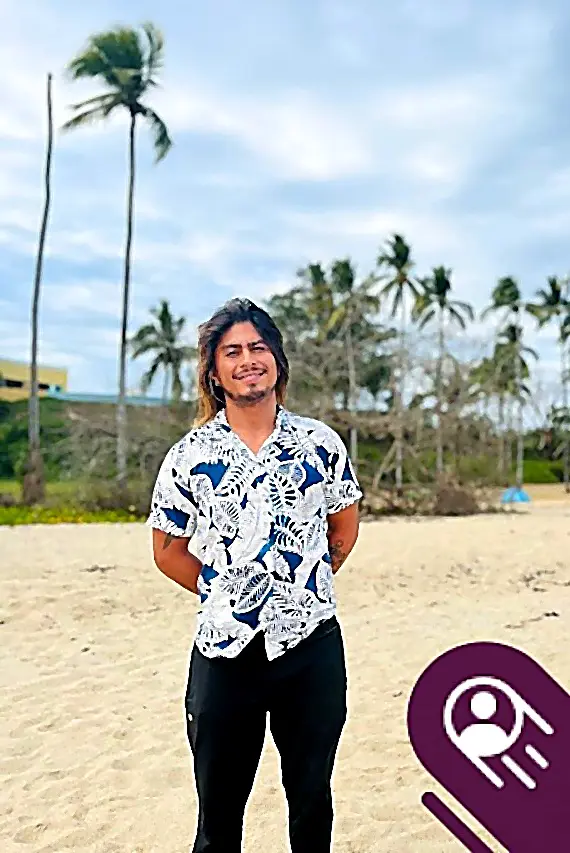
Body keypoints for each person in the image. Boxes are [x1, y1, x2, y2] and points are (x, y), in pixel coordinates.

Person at [146, 297, 363, 852]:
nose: (248, 360)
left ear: (278, 362)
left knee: (311, 798)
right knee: (218, 813)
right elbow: (167, 548)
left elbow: (344, 524)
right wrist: (223, 589)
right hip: (224, 652)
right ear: (214, 371)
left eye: (259, 348)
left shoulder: (319, 443)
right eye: (232, 351)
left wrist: (306, 578)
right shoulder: (190, 454)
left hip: (310, 645)